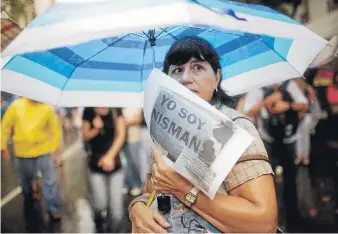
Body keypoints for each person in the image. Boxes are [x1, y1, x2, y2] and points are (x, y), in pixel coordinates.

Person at [128, 36, 277, 233]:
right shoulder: (163, 128)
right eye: (177, 70)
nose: (186, 78)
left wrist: (183, 189)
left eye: (197, 67)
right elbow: (152, 193)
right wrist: (137, 208)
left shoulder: (235, 129)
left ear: (217, 77)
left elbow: (264, 223)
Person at [244, 79, 308, 230]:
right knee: (267, 181)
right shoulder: (257, 87)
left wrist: (287, 105)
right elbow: (248, 111)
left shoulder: (289, 84)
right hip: (267, 140)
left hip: (288, 138)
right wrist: (266, 101)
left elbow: (304, 103)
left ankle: (293, 218)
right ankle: (269, 218)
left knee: (290, 180)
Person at [1, 98, 62, 223]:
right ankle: (29, 201)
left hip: (43, 150)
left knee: (50, 180)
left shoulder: (46, 108)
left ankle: (52, 207)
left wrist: (55, 148)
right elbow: (5, 126)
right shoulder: (15, 106)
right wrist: (3, 146)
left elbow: (55, 129)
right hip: (22, 153)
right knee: (26, 182)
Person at [81, 107, 126, 232]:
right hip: (95, 166)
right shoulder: (88, 110)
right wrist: (96, 128)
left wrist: (110, 156)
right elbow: (85, 135)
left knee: (117, 212)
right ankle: (98, 222)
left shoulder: (116, 109)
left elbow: (121, 135)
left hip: (115, 165)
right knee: (100, 205)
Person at [122, 108, 143, 196]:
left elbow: (138, 119)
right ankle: (127, 183)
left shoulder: (135, 105)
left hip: (134, 138)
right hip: (122, 138)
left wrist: (125, 122)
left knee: (134, 162)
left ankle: (137, 184)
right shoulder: (120, 106)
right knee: (126, 163)